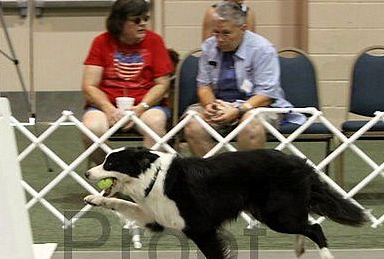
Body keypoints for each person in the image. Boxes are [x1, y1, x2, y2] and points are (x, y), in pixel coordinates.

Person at [184, 1, 305, 157]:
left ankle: (246, 178)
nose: (220, 39)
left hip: (257, 106)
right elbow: (204, 86)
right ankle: (213, 177)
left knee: (250, 124)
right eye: (216, 33)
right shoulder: (209, 46)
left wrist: (238, 110)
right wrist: (210, 106)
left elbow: (266, 95)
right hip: (221, 103)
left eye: (226, 33)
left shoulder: (263, 49)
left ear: (243, 29)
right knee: (192, 123)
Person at [80, 0, 174, 165]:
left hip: (146, 105)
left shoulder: (155, 41)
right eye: (137, 20)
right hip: (106, 105)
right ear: (120, 22)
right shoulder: (101, 42)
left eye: (146, 18)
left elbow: (162, 84)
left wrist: (141, 107)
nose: (143, 24)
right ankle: (111, 172)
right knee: (91, 128)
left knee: (156, 122)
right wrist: (107, 108)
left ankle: (146, 175)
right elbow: (89, 85)